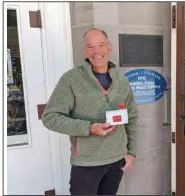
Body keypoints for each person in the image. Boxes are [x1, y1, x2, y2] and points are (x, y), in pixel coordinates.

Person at [41, 28, 138, 195]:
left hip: (117, 161)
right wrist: (88, 128)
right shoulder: (71, 80)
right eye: (90, 47)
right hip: (86, 164)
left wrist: (131, 152)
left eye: (101, 45)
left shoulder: (122, 80)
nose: (97, 51)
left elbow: (132, 117)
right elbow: (50, 117)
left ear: (109, 47)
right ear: (84, 51)